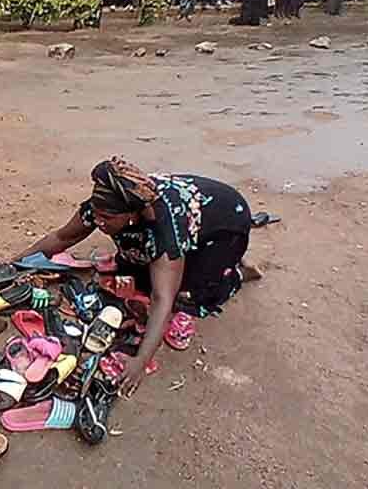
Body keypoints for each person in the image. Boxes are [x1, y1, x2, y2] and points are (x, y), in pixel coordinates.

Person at [14, 156, 255, 397]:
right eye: (96, 215)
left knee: (183, 294)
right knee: (138, 270)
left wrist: (140, 360)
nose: (98, 222)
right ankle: (198, 258)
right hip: (190, 215)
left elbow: (162, 299)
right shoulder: (105, 203)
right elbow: (62, 237)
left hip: (226, 222)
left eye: (107, 218)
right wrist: (14, 265)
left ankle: (236, 270)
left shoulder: (165, 229)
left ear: (131, 214)